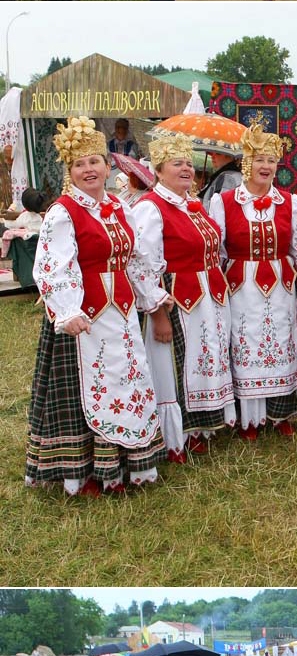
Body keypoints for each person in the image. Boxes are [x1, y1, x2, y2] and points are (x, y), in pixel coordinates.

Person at [26, 116, 164, 497]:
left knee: (124, 382)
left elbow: (135, 256)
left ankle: (121, 468)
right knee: (84, 390)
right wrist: (68, 310)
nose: (89, 169)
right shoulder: (63, 212)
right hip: (83, 319)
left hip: (121, 314)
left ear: (108, 165)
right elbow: (54, 264)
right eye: (80, 164)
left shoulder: (120, 207)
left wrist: (151, 295)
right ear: (70, 171)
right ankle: (82, 473)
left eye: (95, 162)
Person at [207, 118, 297, 436]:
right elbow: (217, 251)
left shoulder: (289, 201)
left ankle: (280, 415)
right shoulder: (224, 202)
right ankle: (249, 419)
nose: (266, 166)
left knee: (281, 343)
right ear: (246, 163)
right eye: (259, 159)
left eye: (271, 160)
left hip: (281, 286)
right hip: (241, 287)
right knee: (246, 345)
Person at [135, 131, 235, 457]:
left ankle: (202, 426)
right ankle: (175, 437)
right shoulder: (151, 208)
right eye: (177, 163)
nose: (186, 169)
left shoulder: (193, 204)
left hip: (209, 299)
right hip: (178, 300)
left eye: (189, 164)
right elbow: (142, 265)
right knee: (176, 366)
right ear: (159, 171)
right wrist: (158, 312)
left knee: (204, 361)